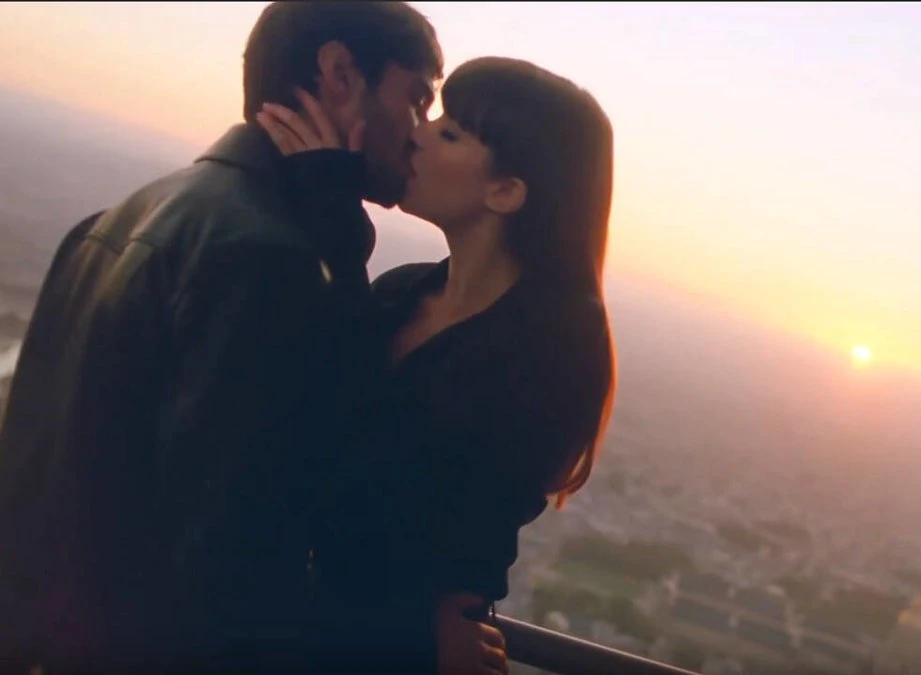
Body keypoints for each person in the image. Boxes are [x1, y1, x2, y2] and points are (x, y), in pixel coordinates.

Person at [0, 3, 493, 672]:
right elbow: (239, 547)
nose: (418, 133)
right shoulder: (268, 259)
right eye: (416, 99)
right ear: (339, 74)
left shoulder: (119, 217)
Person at [255, 55, 618, 673]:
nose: (417, 133)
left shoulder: (550, 354)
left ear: (506, 192)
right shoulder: (402, 292)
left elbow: (400, 506)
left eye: (449, 133)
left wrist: (435, 623)